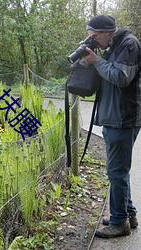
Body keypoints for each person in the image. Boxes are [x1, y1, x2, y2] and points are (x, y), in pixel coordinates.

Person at [83, 15, 141, 238]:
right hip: (113, 117)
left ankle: (119, 223)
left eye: (95, 37)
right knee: (118, 171)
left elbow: (120, 77)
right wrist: (93, 59)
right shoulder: (112, 46)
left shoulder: (129, 44)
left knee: (116, 171)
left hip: (123, 118)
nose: (94, 41)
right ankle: (128, 214)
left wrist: (96, 61)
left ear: (107, 32)